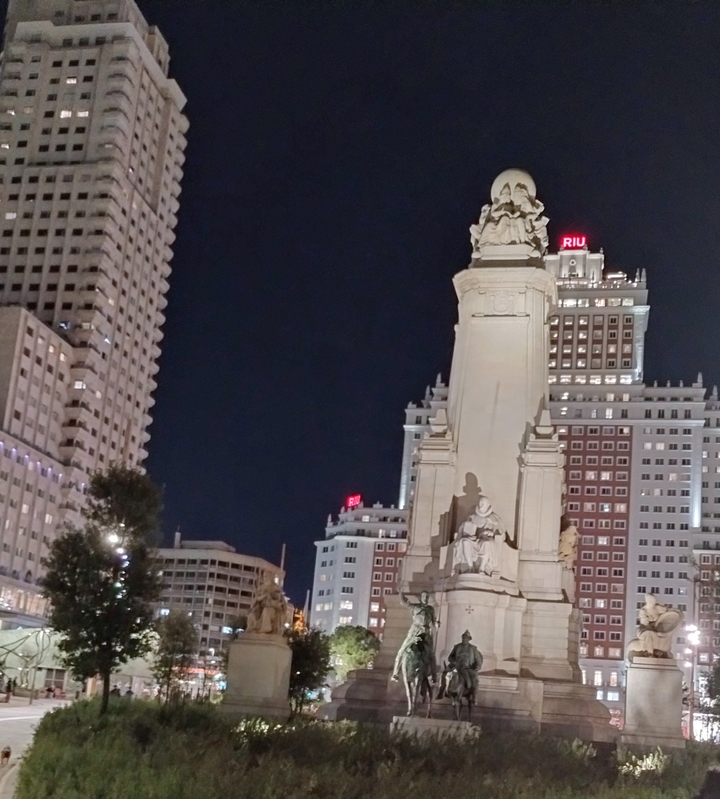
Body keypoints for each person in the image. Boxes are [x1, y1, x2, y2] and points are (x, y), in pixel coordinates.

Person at [391, 591, 438, 682]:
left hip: (426, 633)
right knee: (402, 650)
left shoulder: (430, 609)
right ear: (421, 597)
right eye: (424, 596)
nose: (425, 598)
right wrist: (401, 592)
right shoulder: (415, 607)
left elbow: (433, 621)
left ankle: (434, 676)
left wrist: (436, 624)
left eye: (427, 596)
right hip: (415, 631)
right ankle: (395, 673)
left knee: (431, 655)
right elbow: (403, 602)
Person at [447, 630, 483, 699]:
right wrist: (454, 661)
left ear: (469, 639)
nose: (464, 639)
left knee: (475, 679)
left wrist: (478, 666)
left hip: (468, 668)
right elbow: (450, 657)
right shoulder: (457, 647)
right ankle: (445, 690)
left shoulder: (473, 648)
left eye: (466, 638)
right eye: (463, 637)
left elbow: (478, 659)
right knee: (446, 675)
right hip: (457, 667)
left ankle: (474, 695)